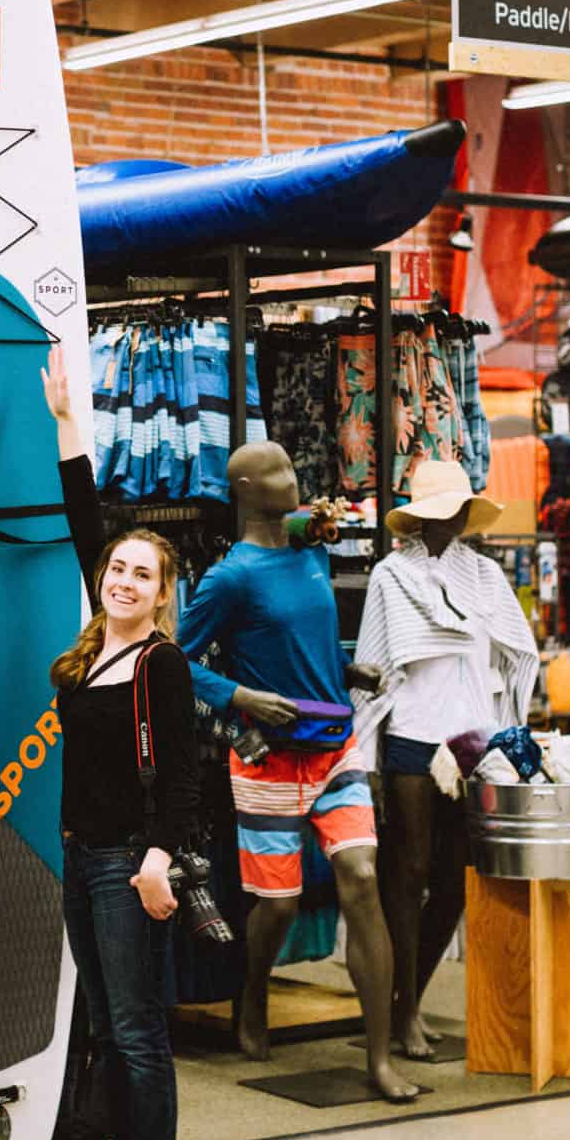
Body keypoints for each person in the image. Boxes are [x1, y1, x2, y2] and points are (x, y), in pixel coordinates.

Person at [175, 439, 419, 1104]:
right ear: (248, 488)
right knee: (277, 904)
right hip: (268, 761)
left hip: (336, 748)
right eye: (281, 471)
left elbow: (300, 644)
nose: (295, 478)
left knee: (361, 877)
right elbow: (172, 661)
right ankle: (250, 997)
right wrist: (240, 697)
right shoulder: (230, 576)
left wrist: (347, 669)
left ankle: (377, 1057)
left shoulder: (310, 553)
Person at [40, 344, 200, 1140]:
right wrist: (66, 423)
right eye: (117, 569)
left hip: (126, 864)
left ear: (163, 594)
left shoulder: (158, 663)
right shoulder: (93, 649)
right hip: (79, 851)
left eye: (142, 574)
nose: (122, 580)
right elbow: (80, 518)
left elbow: (181, 778)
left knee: (138, 1030)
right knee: (105, 1021)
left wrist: (155, 859)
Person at [352, 458, 539, 1058]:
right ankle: (397, 1012)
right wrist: (366, 755)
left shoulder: (484, 575)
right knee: (406, 875)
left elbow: (518, 650)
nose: (453, 518)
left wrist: (508, 727)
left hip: (473, 740)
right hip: (412, 732)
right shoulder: (390, 575)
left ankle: (412, 1002)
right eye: (443, 509)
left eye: (460, 507)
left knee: (458, 879)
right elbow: (378, 663)